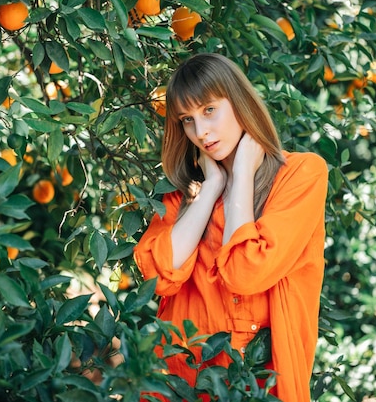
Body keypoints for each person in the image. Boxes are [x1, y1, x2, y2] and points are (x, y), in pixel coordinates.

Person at [133, 53, 328, 401]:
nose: (201, 132)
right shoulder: (183, 197)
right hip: (180, 384)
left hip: (261, 386)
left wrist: (241, 177)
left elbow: (245, 271)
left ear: (239, 102)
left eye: (209, 110)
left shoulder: (302, 175)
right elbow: (158, 277)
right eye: (187, 120)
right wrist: (210, 189)